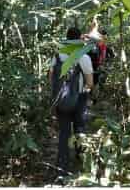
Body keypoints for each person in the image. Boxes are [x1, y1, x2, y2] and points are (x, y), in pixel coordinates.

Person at [51, 26, 94, 179]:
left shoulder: (57, 55)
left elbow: (51, 77)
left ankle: (61, 168)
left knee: (64, 133)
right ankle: (81, 162)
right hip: (79, 98)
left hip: (60, 99)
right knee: (80, 128)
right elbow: (90, 82)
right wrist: (85, 91)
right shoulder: (83, 57)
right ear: (79, 39)